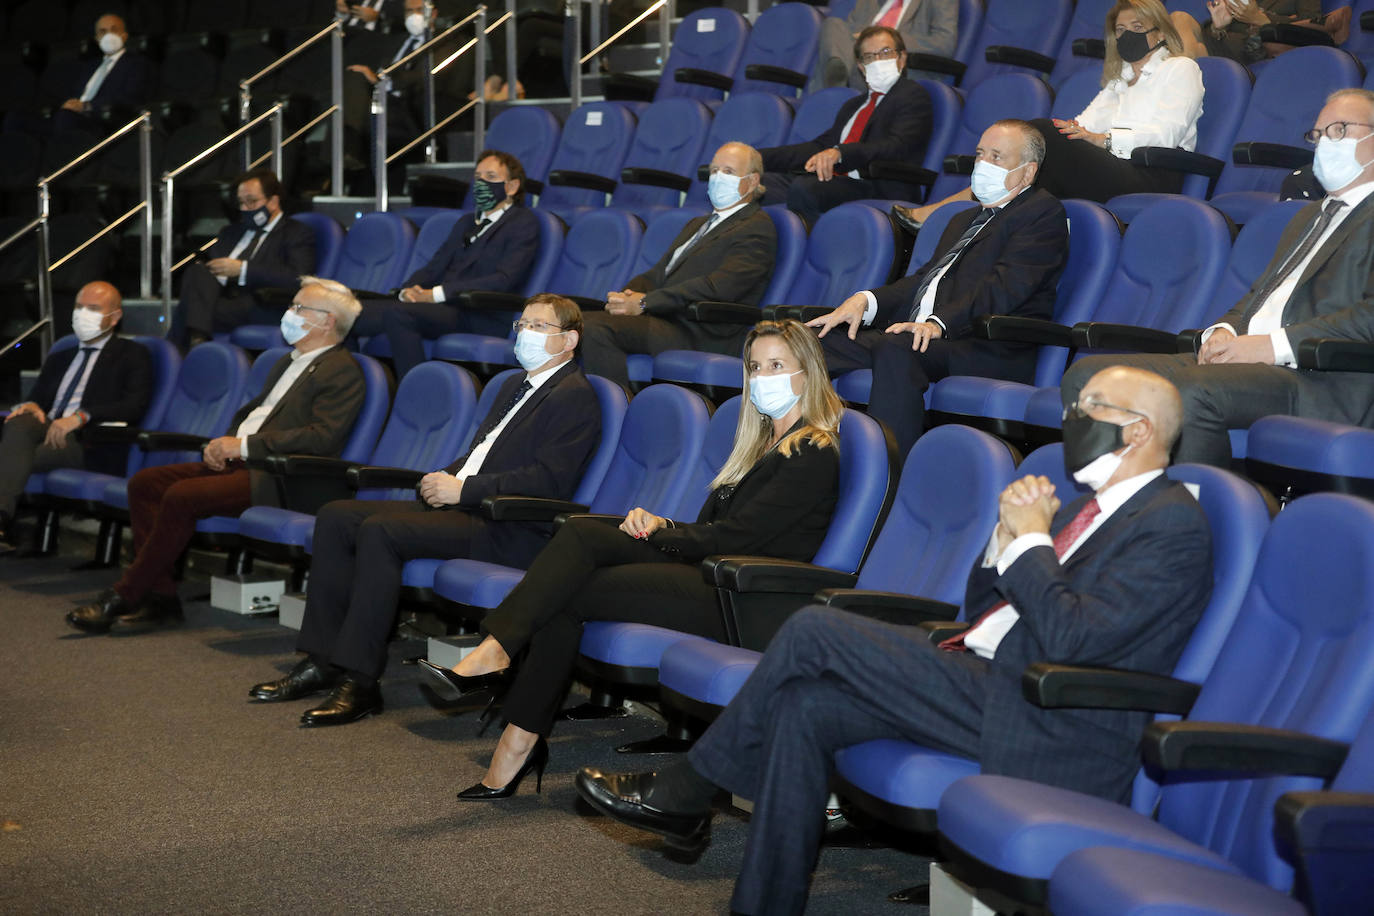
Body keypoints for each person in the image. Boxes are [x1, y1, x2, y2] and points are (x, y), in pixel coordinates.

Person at [577, 365, 1213, 916]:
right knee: (808, 706)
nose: (1073, 417)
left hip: (1051, 718)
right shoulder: (1087, 510)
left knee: (815, 628)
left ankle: (686, 793)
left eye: (1090, 407)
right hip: (988, 681)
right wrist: (1004, 541)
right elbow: (987, 611)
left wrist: (1029, 541)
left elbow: (1074, 638)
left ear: (1139, 430)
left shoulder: (1172, 524)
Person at [420, 320, 843, 799]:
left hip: (746, 598)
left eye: (776, 366)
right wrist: (661, 525)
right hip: (714, 576)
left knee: (569, 581)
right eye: (754, 366)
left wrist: (663, 531)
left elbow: (740, 538)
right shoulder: (757, 447)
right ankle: (513, 718)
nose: (761, 376)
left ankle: (504, 680)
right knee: (579, 543)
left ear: (807, 373)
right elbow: (719, 534)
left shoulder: (812, 451)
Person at [247, 295, 602, 727]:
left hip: (512, 527)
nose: (525, 334)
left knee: (381, 530)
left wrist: (463, 490)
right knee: (337, 515)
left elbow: (548, 481)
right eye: (522, 324)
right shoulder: (514, 385)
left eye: (539, 327)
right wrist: (441, 477)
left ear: (569, 340)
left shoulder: (575, 396)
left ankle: (360, 681)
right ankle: (322, 659)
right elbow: (479, 455)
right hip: (474, 509)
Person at [1063, 88, 1374, 468]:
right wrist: (1222, 332)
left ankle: (1187, 513)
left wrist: (1269, 346)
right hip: (1253, 367)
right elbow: (1261, 295)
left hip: (1320, 378)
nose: (1325, 143)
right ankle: (1119, 508)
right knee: (1090, 379)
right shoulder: (1306, 217)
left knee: (1191, 390)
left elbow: (1368, 318)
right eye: (1318, 135)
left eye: (1340, 130)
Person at [65, 278, 367, 636]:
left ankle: (123, 595)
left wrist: (242, 447)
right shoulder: (288, 362)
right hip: (246, 464)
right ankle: (161, 599)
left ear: (328, 321)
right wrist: (225, 444)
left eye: (299, 308)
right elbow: (262, 418)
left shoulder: (343, 370)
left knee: (180, 496)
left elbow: (322, 438)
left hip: (282, 477)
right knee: (146, 484)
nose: (290, 314)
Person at [808, 119, 1067, 458]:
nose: (982, 165)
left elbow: (1004, 289)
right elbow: (923, 282)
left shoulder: (1041, 214)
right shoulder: (962, 219)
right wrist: (866, 300)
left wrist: (937, 323)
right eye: (979, 155)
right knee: (806, 344)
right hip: (926, 339)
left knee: (898, 346)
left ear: (1028, 172)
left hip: (986, 345)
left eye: (996, 157)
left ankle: (887, 472)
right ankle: (800, 459)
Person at [895, 0, 1201, 230]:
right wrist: (1074, 131)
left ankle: (946, 214)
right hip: (1112, 168)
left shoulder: (1180, 68)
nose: (1126, 36)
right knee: (1034, 161)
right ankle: (963, 227)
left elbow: (1166, 136)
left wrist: (1102, 140)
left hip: (1151, 174)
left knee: (1038, 136)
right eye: (1120, 30)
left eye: (1136, 28)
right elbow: (1082, 125)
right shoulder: (1119, 80)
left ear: (1159, 31)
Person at [583, 142, 777, 390]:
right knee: (574, 323)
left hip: (700, 330)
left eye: (728, 172)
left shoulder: (756, 226)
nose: (717, 177)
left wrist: (645, 303)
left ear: (751, 182)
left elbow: (718, 287)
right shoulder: (697, 224)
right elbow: (658, 274)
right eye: (714, 170)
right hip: (669, 321)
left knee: (594, 328)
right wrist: (627, 296)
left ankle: (613, 413)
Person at [350, 150, 541, 379]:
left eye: (490, 177)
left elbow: (504, 279)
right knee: (348, 314)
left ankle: (417, 391)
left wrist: (435, 295)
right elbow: (434, 267)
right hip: (446, 309)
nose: (481, 183)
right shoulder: (466, 222)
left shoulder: (523, 223)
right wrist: (410, 290)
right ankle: (350, 384)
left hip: (481, 313)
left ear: (511, 187)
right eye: (478, 177)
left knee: (399, 315)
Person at [0, 283, 151, 555]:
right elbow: (38, 401)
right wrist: (31, 405)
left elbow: (132, 407)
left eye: (93, 309)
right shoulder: (60, 355)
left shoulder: (133, 355)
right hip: (43, 433)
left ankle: (4, 522)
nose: (83, 314)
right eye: (79, 307)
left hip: (87, 442)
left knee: (10, 456)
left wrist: (81, 417)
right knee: (20, 421)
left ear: (115, 317)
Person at [760, 26, 933, 224]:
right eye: (869, 57)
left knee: (806, 188)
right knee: (756, 182)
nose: (878, 61)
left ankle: (817, 248)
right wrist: (758, 158)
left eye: (885, 53)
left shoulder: (912, 95)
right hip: (837, 181)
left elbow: (897, 146)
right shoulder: (854, 105)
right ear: (861, 66)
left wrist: (842, 153)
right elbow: (818, 147)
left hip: (877, 183)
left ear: (901, 58)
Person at [169, 169, 317, 349]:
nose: (244, 209)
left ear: (273, 201)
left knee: (191, 309)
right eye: (241, 203)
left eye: (251, 202)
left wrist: (244, 270)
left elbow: (298, 278)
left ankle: (184, 348)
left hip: (260, 302)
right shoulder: (230, 232)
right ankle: (196, 341)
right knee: (197, 272)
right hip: (220, 298)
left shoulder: (296, 233)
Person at [812, 0, 958, 91]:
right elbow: (849, 33)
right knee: (833, 24)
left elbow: (944, 44)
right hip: (860, 61)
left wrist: (887, 39)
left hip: (897, 66)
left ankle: (831, 93)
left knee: (828, 64)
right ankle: (838, 79)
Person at [51, 14, 152, 134]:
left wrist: (87, 106)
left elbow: (131, 97)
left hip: (103, 120)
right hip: (74, 116)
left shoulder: (136, 64)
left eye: (114, 30)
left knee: (64, 119)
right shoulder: (89, 66)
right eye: (103, 32)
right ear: (97, 39)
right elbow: (75, 94)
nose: (109, 36)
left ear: (125, 35)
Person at [1172, 0, 1351, 65]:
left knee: (1185, 52)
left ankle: (1172, 74)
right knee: (1179, 18)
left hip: (1259, 46)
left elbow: (1311, 26)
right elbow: (1211, 32)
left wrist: (1259, 18)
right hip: (1224, 42)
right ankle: (1176, 72)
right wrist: (1218, 27)